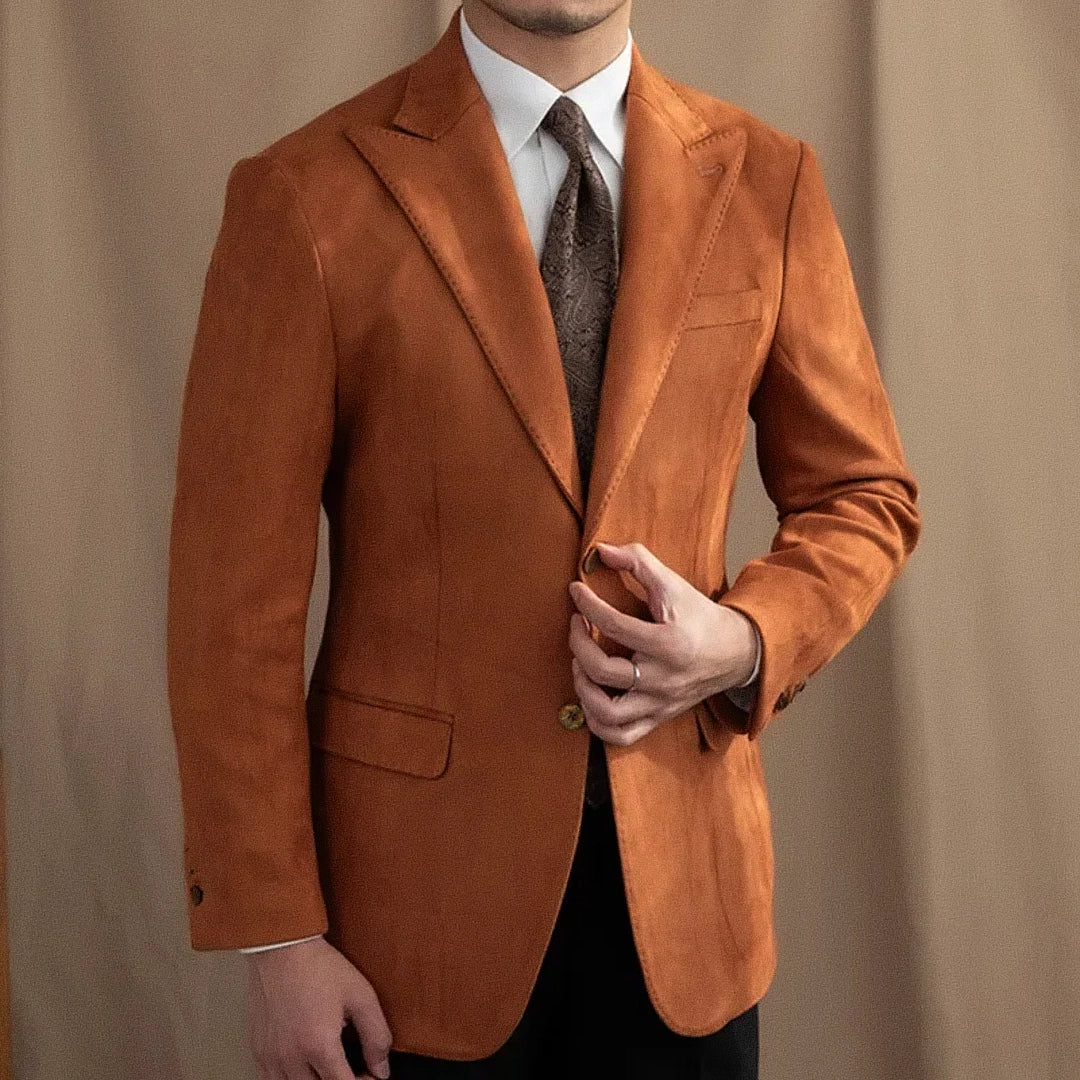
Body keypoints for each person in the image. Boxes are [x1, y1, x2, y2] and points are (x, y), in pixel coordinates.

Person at [165, 2, 921, 1078]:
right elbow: (229, 605)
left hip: (687, 910)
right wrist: (276, 934)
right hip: (406, 932)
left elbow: (862, 492)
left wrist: (747, 640)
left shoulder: (767, 180)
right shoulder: (306, 193)